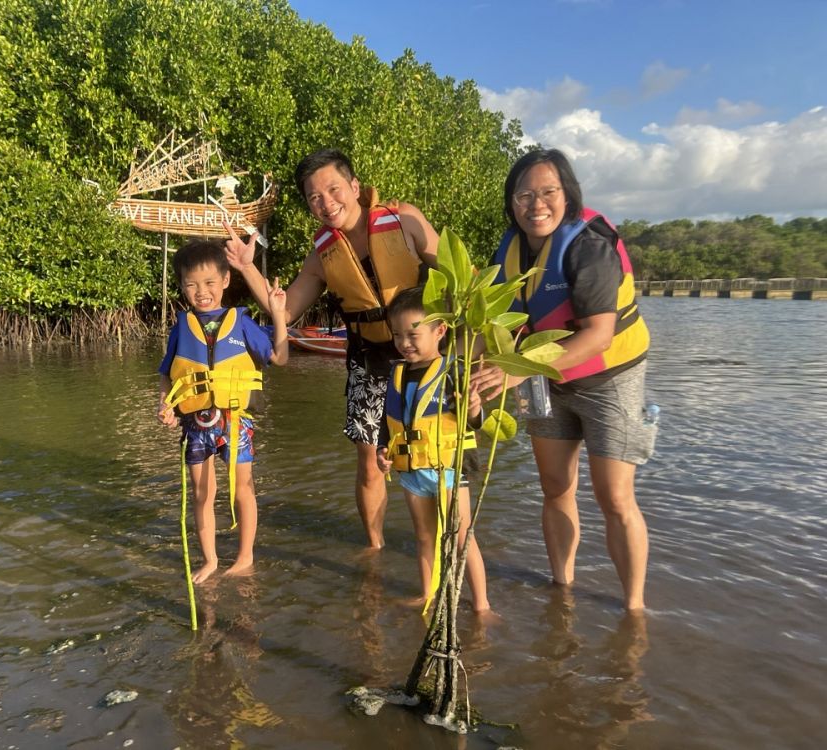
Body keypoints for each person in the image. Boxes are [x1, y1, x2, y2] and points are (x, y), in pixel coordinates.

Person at [223, 148, 440, 549]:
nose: (326, 202)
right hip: (369, 358)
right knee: (370, 462)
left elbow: (459, 277)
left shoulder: (404, 219)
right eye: (314, 197)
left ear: (355, 187)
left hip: (423, 353)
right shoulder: (323, 252)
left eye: (334, 189)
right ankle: (374, 551)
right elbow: (284, 311)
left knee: (434, 452)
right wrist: (246, 267)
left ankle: (441, 551)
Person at [475, 148, 654, 611]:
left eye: (548, 192)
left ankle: (633, 610)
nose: (536, 205)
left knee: (614, 496)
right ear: (511, 202)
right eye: (524, 195)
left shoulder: (588, 246)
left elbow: (598, 335)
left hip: (608, 377)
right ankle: (562, 589)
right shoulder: (509, 250)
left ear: (568, 195)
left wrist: (516, 370)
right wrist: (464, 375)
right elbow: (495, 323)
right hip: (546, 381)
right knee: (555, 486)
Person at [157, 239, 289, 584]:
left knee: (243, 488)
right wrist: (165, 404)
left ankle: (245, 557)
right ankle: (210, 560)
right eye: (191, 285)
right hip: (195, 425)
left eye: (209, 283)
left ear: (226, 280)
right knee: (202, 494)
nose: (201, 292)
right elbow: (166, 373)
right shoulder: (181, 327)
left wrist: (277, 314)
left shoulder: (241, 322)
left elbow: (280, 357)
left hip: (235, 422)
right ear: (182, 286)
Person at [376, 286, 492, 614]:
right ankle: (426, 594)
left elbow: (474, 421)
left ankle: (482, 605)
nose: (404, 343)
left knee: (462, 537)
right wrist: (382, 451)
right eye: (397, 335)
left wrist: (473, 408)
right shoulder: (397, 374)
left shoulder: (454, 372)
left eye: (413, 335)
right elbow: (389, 421)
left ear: (440, 331)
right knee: (424, 536)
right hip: (412, 472)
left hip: (449, 471)